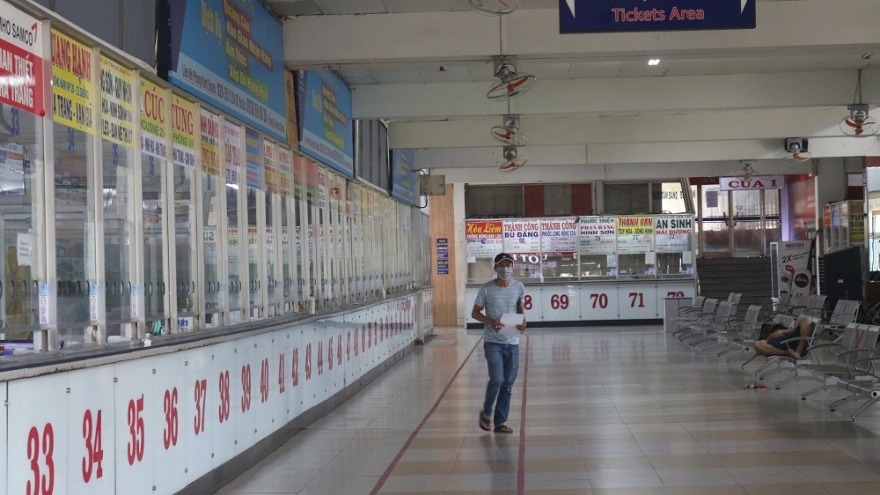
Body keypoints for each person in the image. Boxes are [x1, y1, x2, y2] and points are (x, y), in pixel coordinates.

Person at [471, 252, 527, 433]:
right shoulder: (486, 289)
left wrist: (523, 322)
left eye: (508, 265)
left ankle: (500, 421)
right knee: (497, 378)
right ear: (495, 268)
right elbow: (475, 313)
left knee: (508, 382)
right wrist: (491, 321)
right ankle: (487, 412)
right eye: (502, 265)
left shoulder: (519, 287)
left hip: (512, 341)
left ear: (512, 267)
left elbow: (520, 307)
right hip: (493, 342)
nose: (505, 268)